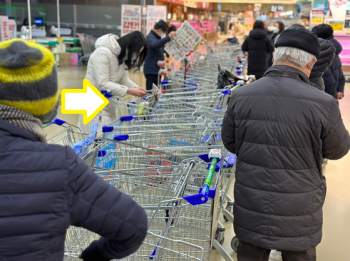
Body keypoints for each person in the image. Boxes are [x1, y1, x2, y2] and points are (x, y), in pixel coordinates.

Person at [0, 39, 147, 261]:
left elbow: (120, 77)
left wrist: (130, 88)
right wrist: (93, 255)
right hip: (96, 104)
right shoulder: (58, 166)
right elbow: (133, 226)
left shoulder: (118, 58)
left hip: (103, 105)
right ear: (48, 106)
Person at [222, 27, 350, 261]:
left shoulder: (242, 95)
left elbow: (230, 142)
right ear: (311, 65)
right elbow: (338, 149)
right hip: (299, 209)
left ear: (275, 56)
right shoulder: (323, 103)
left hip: (252, 204)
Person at [78, 32, 148, 136]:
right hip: (95, 104)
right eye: (136, 51)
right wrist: (129, 91)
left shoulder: (122, 56)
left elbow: (124, 80)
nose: (135, 55)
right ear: (129, 46)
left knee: (106, 139)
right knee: (96, 137)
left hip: (109, 102)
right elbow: (102, 83)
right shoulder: (102, 53)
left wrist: (138, 89)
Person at [312, 24, 345, 102]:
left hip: (327, 97)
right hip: (333, 95)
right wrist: (340, 89)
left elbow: (327, 78)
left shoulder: (323, 52)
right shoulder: (334, 51)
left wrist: (333, 95)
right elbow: (340, 73)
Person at [144, 20, 176, 91]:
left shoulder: (157, 38)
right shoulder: (150, 37)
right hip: (151, 71)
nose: (163, 34)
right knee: (151, 94)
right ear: (160, 29)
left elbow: (161, 48)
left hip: (157, 70)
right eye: (164, 32)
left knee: (156, 93)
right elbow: (155, 44)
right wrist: (168, 37)